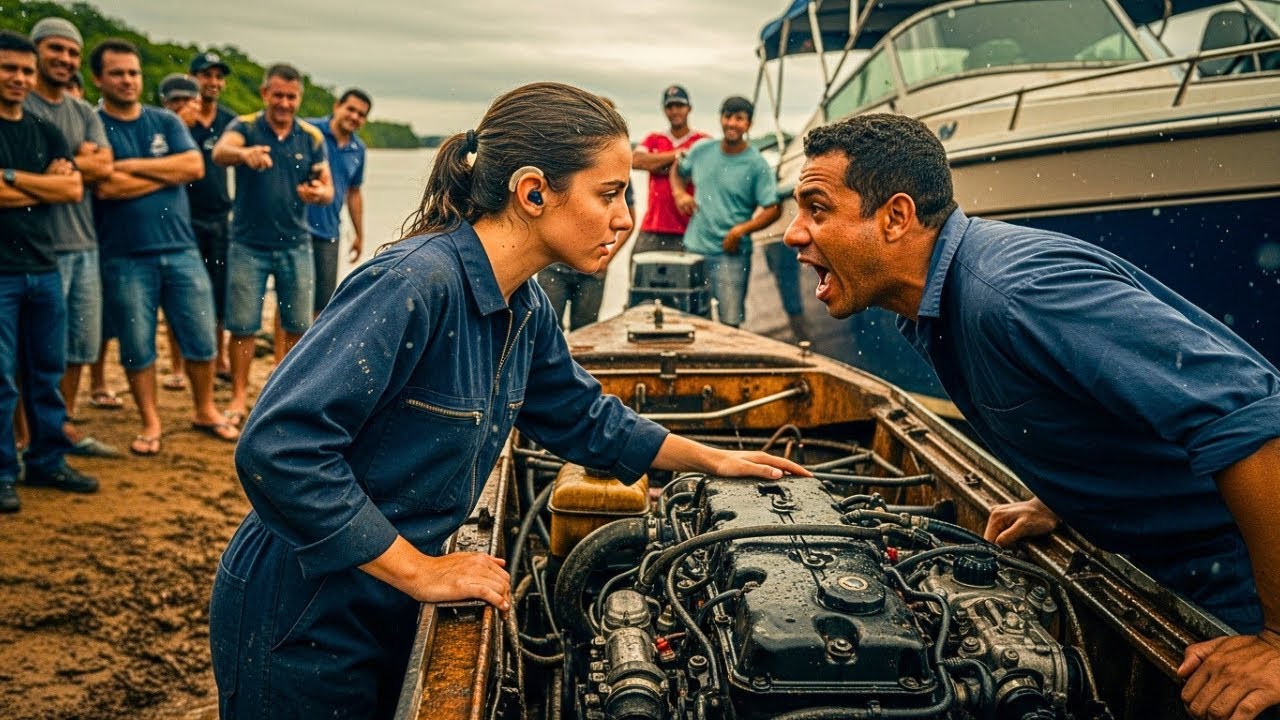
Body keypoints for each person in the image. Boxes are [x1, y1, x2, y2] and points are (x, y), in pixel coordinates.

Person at [207, 81, 809, 719]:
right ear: (532, 192)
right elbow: (279, 448)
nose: (625, 218)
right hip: (303, 608)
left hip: (382, 597)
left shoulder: (524, 303)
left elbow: (581, 416)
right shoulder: (412, 284)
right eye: (608, 193)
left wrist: (713, 461)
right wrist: (422, 572)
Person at [783, 113, 1280, 720]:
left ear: (895, 217)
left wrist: (1278, 643)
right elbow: (1092, 406)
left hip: (1241, 582)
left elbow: (1252, 419)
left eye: (817, 208)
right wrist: (1066, 492)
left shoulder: (1014, 292)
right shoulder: (935, 305)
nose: (793, 233)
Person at [90, 38, 239, 455]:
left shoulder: (166, 122)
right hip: (123, 252)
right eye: (117, 73)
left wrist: (130, 167)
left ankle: (205, 409)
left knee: (200, 335)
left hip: (180, 247)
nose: (127, 80)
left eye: (133, 72)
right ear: (98, 78)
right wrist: (162, 173)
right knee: (137, 344)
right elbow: (103, 186)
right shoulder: (93, 124)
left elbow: (192, 166)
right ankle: (150, 422)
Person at [0, 30, 99, 513]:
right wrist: (44, 185)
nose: (17, 78)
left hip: (43, 264)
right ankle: (3, 472)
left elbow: (73, 191)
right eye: (8, 69)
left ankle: (47, 459)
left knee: (47, 372)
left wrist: (13, 178)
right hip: (2, 271)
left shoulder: (44, 129)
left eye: (23, 70)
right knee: (2, 377)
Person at [213, 63, 332, 427]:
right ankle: (237, 398)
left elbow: (327, 187)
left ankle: (285, 396)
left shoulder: (310, 137)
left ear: (299, 98)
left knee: (298, 323)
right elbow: (220, 152)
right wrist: (244, 155)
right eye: (277, 95)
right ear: (265, 93)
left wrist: (318, 194)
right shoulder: (246, 127)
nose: (284, 103)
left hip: (295, 243)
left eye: (291, 96)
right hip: (248, 243)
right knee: (244, 325)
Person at [24, 17, 120, 458]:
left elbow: (104, 168)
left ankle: (60, 426)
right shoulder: (18, 105)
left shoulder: (82, 111)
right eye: (55, 49)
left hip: (84, 245)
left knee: (80, 345)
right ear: (35, 51)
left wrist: (61, 168)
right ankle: (25, 437)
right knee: (35, 353)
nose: (64, 59)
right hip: (33, 249)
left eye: (71, 52)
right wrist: (66, 164)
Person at [670, 96, 780, 327]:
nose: (732, 123)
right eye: (728, 117)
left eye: (739, 119)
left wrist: (741, 230)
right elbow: (678, 170)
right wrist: (680, 194)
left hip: (731, 255)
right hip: (694, 250)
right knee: (690, 318)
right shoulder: (701, 150)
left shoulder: (757, 164)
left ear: (748, 124)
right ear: (721, 119)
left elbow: (773, 209)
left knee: (731, 323)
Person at [539, 95, 636, 331]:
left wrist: (607, 258)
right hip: (556, 267)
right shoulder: (562, 170)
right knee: (547, 331)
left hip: (593, 267)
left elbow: (629, 219)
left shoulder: (618, 177)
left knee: (586, 333)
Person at [185, 51, 237, 383]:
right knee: (186, 293)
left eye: (218, 77)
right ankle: (178, 366)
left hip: (220, 216)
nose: (213, 82)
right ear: (193, 78)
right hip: (183, 218)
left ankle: (219, 358)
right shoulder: (178, 120)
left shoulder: (230, 121)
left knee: (219, 292)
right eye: (206, 75)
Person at [305, 88, 369, 316]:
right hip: (296, 228)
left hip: (329, 231)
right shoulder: (310, 132)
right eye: (351, 109)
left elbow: (353, 192)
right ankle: (284, 353)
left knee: (322, 303)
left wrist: (360, 235)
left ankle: (311, 350)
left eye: (361, 114)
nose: (354, 117)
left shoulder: (357, 149)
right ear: (337, 106)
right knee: (291, 303)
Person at [630, 84, 708, 257]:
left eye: (679, 106)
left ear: (689, 108)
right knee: (639, 278)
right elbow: (636, 161)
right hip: (653, 228)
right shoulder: (654, 139)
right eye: (670, 106)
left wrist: (657, 163)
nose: (675, 111)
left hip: (690, 230)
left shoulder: (702, 142)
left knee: (688, 281)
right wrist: (678, 156)